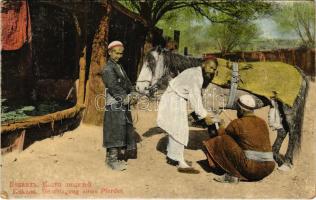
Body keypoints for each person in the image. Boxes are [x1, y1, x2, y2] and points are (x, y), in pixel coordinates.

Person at [156, 56, 218, 174]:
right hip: (173, 98)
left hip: (175, 97)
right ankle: (180, 162)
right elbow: (195, 98)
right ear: (204, 64)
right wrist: (205, 115)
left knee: (176, 128)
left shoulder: (195, 71)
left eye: (214, 69)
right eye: (210, 67)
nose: (212, 71)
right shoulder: (196, 76)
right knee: (180, 129)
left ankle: (172, 157)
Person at [203, 94, 275, 183]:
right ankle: (253, 176)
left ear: (240, 110)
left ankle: (232, 174)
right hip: (268, 169)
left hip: (251, 168)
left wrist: (221, 125)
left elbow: (220, 137)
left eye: (237, 109)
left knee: (223, 140)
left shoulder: (237, 123)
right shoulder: (262, 122)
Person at [102, 41, 137, 171]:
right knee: (114, 130)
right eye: (116, 53)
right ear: (110, 52)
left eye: (121, 53)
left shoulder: (119, 67)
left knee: (121, 129)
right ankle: (112, 160)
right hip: (114, 104)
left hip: (122, 103)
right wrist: (126, 98)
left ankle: (112, 158)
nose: (119, 56)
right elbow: (113, 87)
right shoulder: (108, 69)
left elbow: (127, 82)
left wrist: (133, 92)